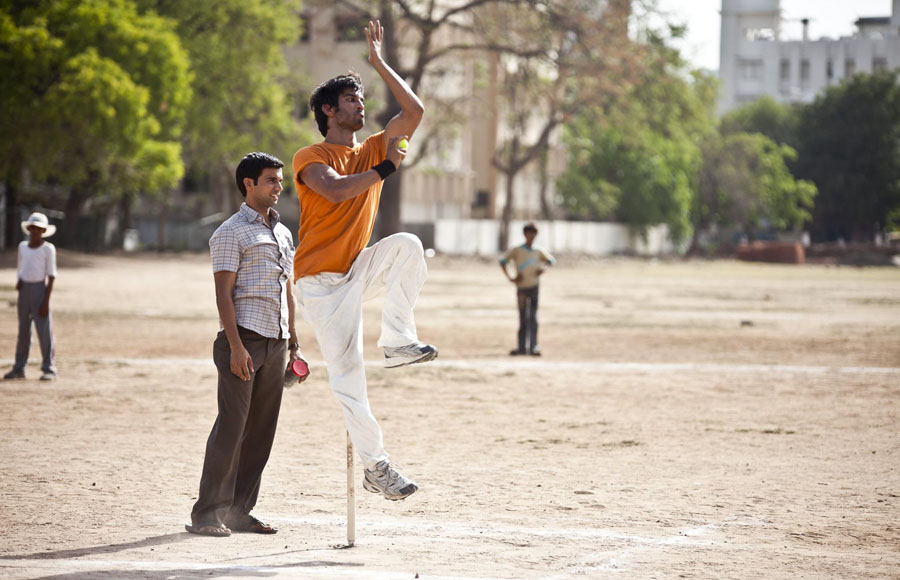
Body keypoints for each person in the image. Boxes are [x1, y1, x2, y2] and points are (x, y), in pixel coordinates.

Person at [291, 20, 432, 501]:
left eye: (361, 98)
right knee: (350, 380)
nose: (361, 104)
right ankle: (378, 467)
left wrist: (378, 63)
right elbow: (331, 191)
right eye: (351, 99)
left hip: (356, 270)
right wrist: (386, 168)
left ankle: (397, 339)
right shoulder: (310, 155)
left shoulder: (372, 146)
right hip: (319, 284)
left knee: (408, 245)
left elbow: (414, 110)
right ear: (328, 110)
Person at [186, 152, 308, 537]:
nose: (278, 186)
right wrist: (237, 347)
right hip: (243, 341)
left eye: (279, 180)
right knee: (232, 428)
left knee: (261, 430)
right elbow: (223, 294)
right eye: (270, 180)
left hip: (277, 342)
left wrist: (294, 343)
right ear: (248, 184)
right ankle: (207, 513)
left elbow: (286, 289)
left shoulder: (284, 233)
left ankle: (240, 511)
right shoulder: (230, 232)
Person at [4, 212, 58, 381]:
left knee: (44, 330)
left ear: (43, 231)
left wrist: (45, 301)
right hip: (24, 290)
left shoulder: (48, 249)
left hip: (40, 290)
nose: (34, 232)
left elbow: (51, 275)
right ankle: (19, 367)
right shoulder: (22, 247)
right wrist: (19, 281)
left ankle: (49, 367)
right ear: (28, 229)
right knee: (23, 331)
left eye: (38, 229)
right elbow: (21, 267)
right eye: (32, 228)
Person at [499, 222, 556, 356]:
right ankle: (521, 347)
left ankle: (534, 346)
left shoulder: (539, 250)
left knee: (533, 318)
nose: (531, 236)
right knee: (523, 317)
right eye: (529, 233)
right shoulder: (517, 250)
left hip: (534, 287)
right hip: (522, 288)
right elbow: (503, 262)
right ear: (525, 234)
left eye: (534, 233)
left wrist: (543, 270)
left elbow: (551, 261)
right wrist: (510, 277)